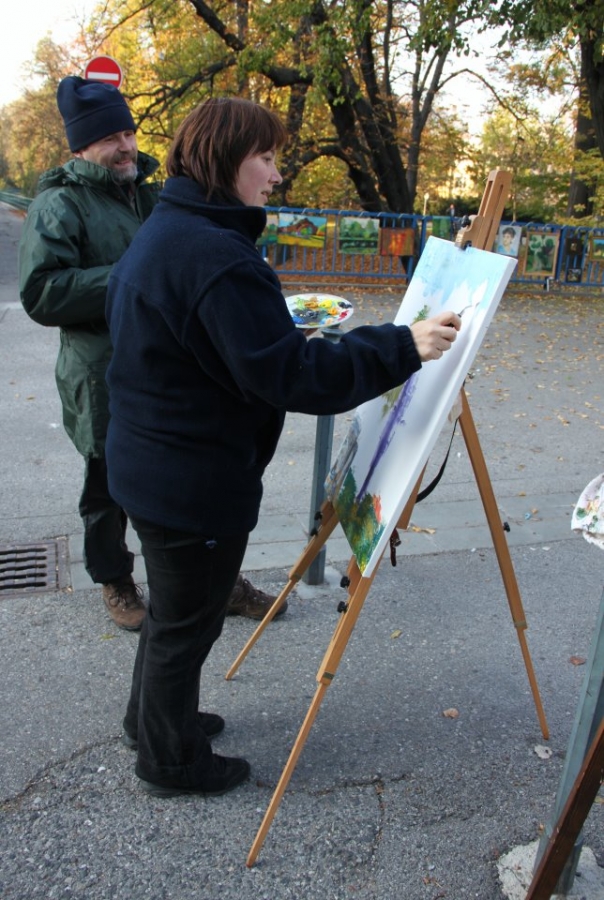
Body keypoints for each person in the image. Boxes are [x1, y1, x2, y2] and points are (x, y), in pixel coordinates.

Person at [105, 97, 461, 797]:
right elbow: (293, 376)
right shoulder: (213, 254)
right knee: (187, 622)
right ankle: (169, 760)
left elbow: (216, 348)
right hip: (190, 479)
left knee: (175, 614)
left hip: (157, 465)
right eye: (265, 158)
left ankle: (152, 724)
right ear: (223, 160)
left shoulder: (173, 228)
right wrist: (402, 345)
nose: (275, 175)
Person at [18, 76, 278, 632]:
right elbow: (41, 293)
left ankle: (217, 581)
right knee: (108, 485)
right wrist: (133, 276)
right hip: (99, 371)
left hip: (168, 365)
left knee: (187, 480)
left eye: (129, 133)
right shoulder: (59, 204)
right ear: (81, 147)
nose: (126, 147)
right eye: (110, 138)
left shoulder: (150, 193)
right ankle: (115, 579)